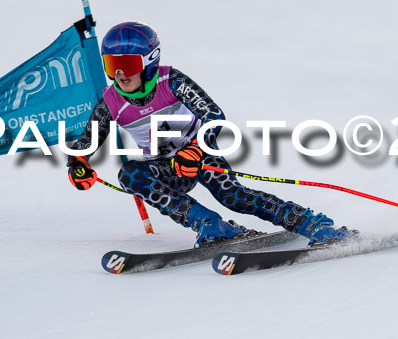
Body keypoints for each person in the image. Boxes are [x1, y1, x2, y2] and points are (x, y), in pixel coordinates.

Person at [67, 21, 357, 247]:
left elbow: (214, 116)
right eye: (112, 66)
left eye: (127, 66)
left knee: (233, 195)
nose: (120, 75)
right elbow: (87, 142)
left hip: (200, 156)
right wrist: (77, 164)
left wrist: (195, 149)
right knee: (130, 174)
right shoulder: (110, 101)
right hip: (165, 170)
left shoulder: (172, 81)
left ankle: (312, 223)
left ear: (150, 61)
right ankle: (210, 225)